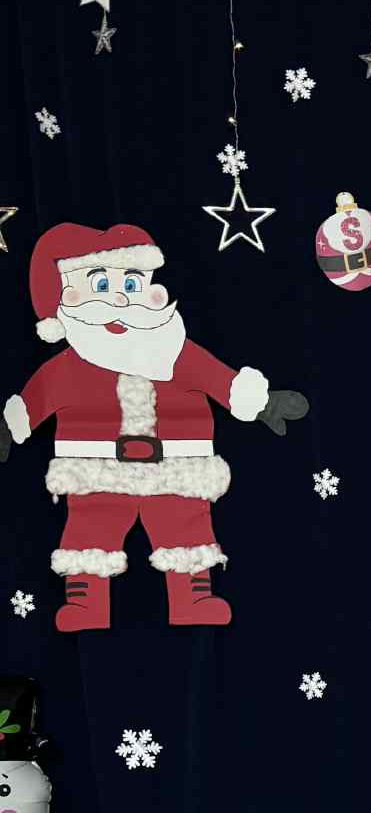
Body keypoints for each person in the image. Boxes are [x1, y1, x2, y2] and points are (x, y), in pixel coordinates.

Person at [0, 220, 307, 631]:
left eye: (130, 285)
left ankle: (194, 600)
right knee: (89, 534)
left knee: (186, 531)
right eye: (102, 286)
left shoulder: (176, 352)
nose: (120, 301)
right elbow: (37, 398)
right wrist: (10, 426)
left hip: (176, 467)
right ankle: (86, 605)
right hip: (97, 470)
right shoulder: (69, 366)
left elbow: (220, 380)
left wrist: (262, 403)